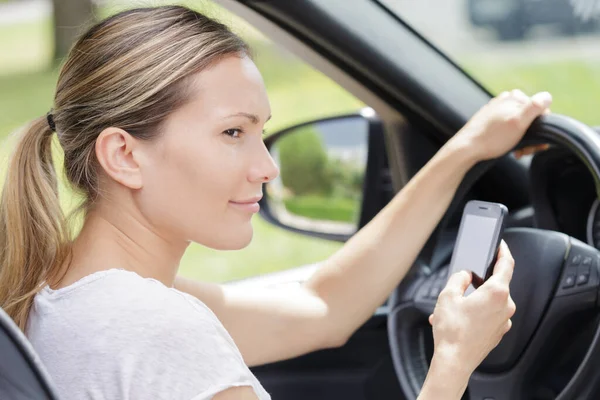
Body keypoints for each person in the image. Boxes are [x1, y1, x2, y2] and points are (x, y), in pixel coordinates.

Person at [0, 6, 551, 400]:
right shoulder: (159, 329)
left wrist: (463, 152)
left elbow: (322, 310)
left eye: (261, 132)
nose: (267, 167)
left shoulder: (53, 287)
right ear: (123, 154)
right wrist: (453, 360)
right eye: (233, 133)